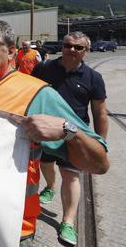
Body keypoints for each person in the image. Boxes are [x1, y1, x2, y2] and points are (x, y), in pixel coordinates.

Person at [0, 18, 109, 245]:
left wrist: (68, 131)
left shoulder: (38, 94)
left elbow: (99, 164)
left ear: (11, 51)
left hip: (8, 227)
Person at [32, 32, 109, 246]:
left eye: (78, 47)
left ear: (87, 51)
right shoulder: (43, 69)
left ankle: (67, 221)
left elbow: (100, 113)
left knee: (71, 176)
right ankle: (50, 186)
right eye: (68, 45)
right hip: (45, 132)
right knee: (45, 165)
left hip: (73, 134)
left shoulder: (93, 78)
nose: (71, 50)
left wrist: (100, 144)